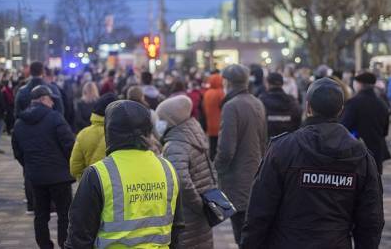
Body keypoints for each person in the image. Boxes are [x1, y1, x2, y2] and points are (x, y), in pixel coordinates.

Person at [241, 77, 384, 249]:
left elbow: (259, 210)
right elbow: (371, 219)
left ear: (308, 107)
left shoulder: (283, 149)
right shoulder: (361, 156)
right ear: (341, 110)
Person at [65, 100, 184, 248]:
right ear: (148, 131)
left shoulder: (98, 174)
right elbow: (177, 229)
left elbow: (79, 237)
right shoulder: (168, 169)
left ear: (109, 131)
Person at [12, 85, 75, 249]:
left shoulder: (19, 123)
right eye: (51, 100)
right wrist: (69, 166)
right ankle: (64, 243)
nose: (53, 103)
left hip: (36, 177)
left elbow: (17, 152)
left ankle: (45, 245)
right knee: (65, 214)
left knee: (40, 215)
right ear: (43, 99)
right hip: (60, 176)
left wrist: (30, 166)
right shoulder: (55, 118)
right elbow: (69, 145)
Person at [215, 64, 267, 246]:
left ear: (227, 82)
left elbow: (227, 148)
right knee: (250, 232)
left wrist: (217, 170)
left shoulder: (231, 106)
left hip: (237, 178)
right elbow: (263, 141)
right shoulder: (257, 102)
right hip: (255, 174)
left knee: (241, 234)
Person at [156, 95, 216, 249]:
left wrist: (197, 205)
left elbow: (181, 181)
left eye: (161, 119)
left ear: (172, 120)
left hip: (187, 214)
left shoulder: (175, 145)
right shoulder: (193, 134)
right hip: (202, 207)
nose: (159, 123)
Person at [341, 72, 391, 174]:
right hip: (377, 151)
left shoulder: (354, 102)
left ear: (359, 84)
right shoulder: (382, 103)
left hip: (358, 152)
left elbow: (343, 127)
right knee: (375, 184)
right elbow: (385, 131)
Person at [70, 93, 117, 180]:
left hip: (91, 187)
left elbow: (75, 169)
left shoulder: (83, 134)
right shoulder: (123, 133)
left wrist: (87, 181)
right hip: (117, 187)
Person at [260, 72, 302, 138]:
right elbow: (298, 122)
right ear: (282, 84)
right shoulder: (292, 101)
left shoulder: (261, 101)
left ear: (267, 84)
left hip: (268, 143)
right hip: (288, 142)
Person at [203, 73, 224, 160]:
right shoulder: (221, 93)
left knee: (212, 146)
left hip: (210, 124)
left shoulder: (207, 93)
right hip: (220, 124)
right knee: (219, 147)